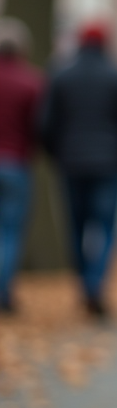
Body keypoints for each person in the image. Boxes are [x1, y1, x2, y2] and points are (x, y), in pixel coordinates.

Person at [38, 21, 117, 318]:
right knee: (106, 226)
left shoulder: (60, 74)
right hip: (108, 163)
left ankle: (84, 281)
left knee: (76, 226)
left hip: (70, 163)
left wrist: (55, 153)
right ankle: (96, 283)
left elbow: (46, 124)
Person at [0, 18, 42, 314]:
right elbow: (40, 126)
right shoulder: (32, 82)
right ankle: (3, 291)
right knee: (11, 231)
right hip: (16, 164)